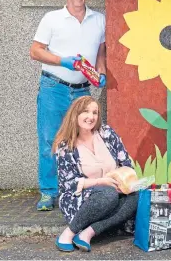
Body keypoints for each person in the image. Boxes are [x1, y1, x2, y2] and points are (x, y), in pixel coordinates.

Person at [29, 0, 107, 211]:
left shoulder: (99, 20)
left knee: (80, 143)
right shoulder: (52, 18)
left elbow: (101, 52)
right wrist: (63, 62)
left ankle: (72, 188)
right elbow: (35, 51)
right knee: (50, 141)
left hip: (83, 90)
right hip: (54, 87)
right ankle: (48, 192)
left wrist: (101, 72)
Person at [53, 96, 138, 252]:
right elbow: (67, 184)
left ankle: (87, 233)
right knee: (107, 194)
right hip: (81, 196)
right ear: (75, 114)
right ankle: (68, 233)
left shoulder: (106, 133)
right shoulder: (65, 146)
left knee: (136, 195)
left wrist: (122, 182)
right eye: (86, 112)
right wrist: (101, 182)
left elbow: (126, 163)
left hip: (114, 190)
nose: (91, 117)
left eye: (95, 112)